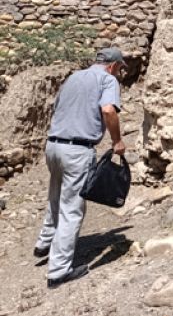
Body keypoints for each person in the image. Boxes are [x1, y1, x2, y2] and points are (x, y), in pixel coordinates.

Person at [33, 47, 127, 288]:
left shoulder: (73, 77)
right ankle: (58, 271)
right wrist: (117, 141)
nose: (119, 73)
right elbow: (108, 110)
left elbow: (58, 108)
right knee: (72, 208)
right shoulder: (108, 80)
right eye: (120, 69)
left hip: (53, 145)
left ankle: (44, 242)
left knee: (55, 194)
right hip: (78, 150)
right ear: (114, 65)